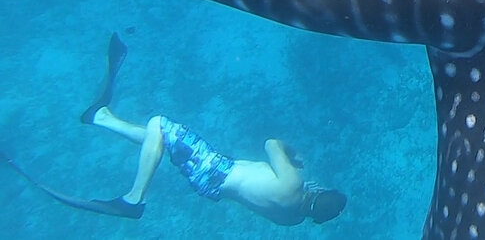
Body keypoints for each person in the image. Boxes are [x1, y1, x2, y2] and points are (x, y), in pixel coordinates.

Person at [72, 34, 347, 225]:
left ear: (318, 191)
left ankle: (134, 199)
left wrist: (293, 154)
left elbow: (271, 144)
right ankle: (101, 117)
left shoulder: (294, 184)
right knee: (163, 141)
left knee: (159, 124)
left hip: (216, 168)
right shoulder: (292, 220)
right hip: (211, 187)